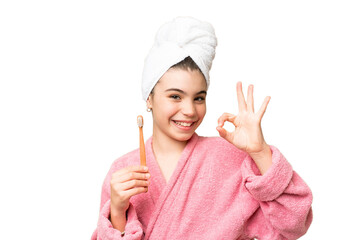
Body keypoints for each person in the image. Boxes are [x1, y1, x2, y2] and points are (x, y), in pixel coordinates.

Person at [92, 17, 313, 240]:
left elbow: (294, 224)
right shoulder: (122, 170)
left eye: (199, 98)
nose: (189, 110)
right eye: (175, 96)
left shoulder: (231, 158)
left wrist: (260, 152)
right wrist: (118, 212)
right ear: (149, 98)